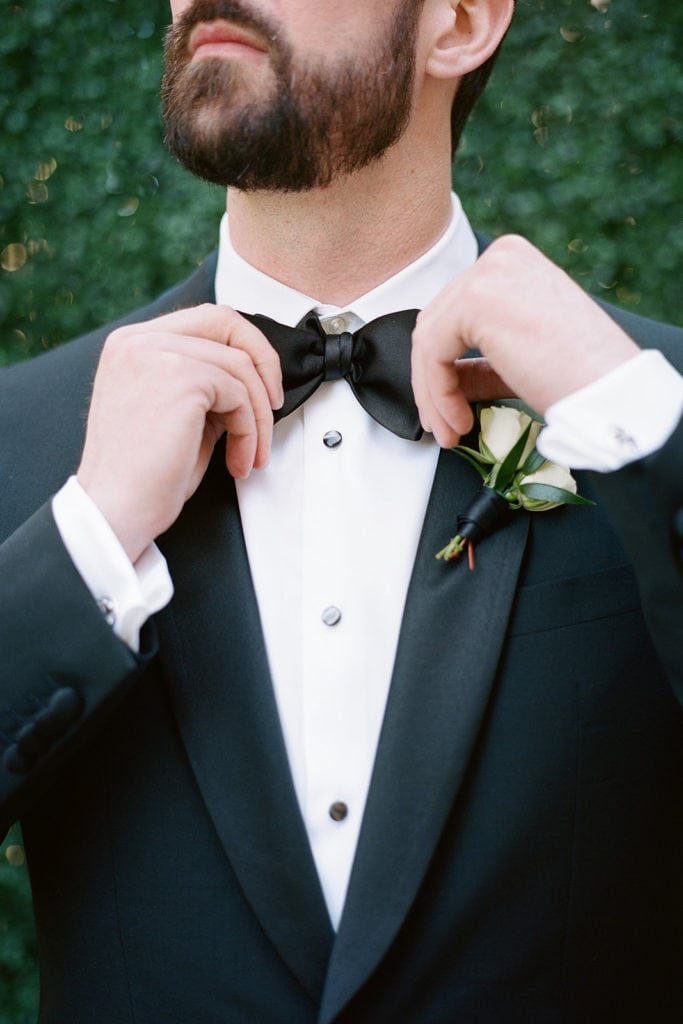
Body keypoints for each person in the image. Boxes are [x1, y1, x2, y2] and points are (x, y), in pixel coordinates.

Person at [1, 0, 682, 1020]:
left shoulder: (647, 401)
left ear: (455, 22)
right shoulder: (27, 433)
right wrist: (88, 542)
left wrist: (636, 424)